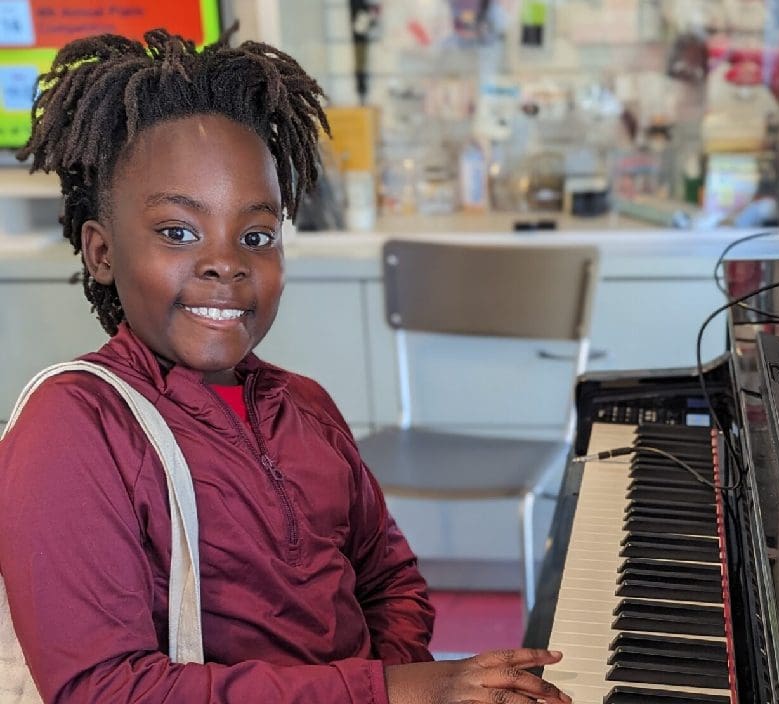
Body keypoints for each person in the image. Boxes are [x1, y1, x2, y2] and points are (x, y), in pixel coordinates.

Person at [0, 28, 569, 704]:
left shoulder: (305, 405)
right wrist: (385, 692)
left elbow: (389, 580)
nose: (225, 262)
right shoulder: (71, 427)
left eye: (257, 236)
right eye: (178, 232)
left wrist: (399, 679)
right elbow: (107, 689)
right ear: (100, 253)